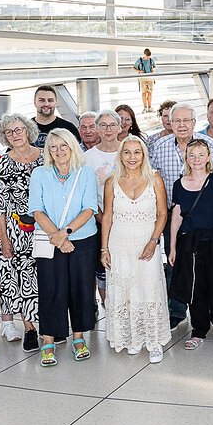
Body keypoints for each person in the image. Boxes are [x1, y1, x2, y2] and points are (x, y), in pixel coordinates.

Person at [29, 130, 98, 367]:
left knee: (81, 289)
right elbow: (37, 209)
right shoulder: (39, 173)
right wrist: (57, 237)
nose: (58, 151)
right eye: (53, 147)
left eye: (63, 146)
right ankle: (48, 341)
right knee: (51, 290)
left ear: (72, 147)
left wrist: (65, 233)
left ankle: (79, 338)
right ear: (48, 150)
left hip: (82, 239)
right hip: (50, 240)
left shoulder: (85, 172)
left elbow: (89, 208)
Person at [151, 102, 213, 329]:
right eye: (177, 121)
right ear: (169, 123)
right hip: (173, 216)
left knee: (210, 263)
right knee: (176, 262)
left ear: (194, 122)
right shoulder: (160, 146)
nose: (182, 125)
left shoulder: (209, 144)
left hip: (205, 218)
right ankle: (177, 309)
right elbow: (153, 180)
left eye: (186, 120)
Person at [100, 136, 170, 363]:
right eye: (127, 152)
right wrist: (104, 249)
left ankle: (154, 341)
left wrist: (153, 241)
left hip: (146, 243)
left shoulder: (155, 178)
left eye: (137, 152)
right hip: (119, 244)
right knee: (125, 291)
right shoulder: (112, 181)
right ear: (120, 155)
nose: (132, 157)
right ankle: (131, 338)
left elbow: (162, 214)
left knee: (149, 290)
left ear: (144, 154)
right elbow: (107, 216)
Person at [168, 139, 213, 352]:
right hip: (190, 245)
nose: (196, 159)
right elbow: (177, 218)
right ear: (186, 158)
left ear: (208, 157)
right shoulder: (178, 184)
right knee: (195, 288)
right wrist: (172, 247)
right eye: (192, 155)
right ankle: (199, 330)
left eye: (201, 154)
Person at [0, 114, 43, 352]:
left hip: (46, 228)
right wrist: (4, 240)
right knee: (23, 281)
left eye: (19, 129)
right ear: (4, 136)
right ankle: (30, 329)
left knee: (47, 278)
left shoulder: (45, 157)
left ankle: (52, 325)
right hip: (16, 230)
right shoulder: (3, 163)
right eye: (9, 132)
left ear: (28, 130)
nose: (15, 134)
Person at [84, 109, 123, 306]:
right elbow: (87, 192)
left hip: (127, 220)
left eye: (112, 125)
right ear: (97, 129)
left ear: (120, 127)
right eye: (103, 125)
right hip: (99, 220)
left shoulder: (128, 150)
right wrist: (101, 217)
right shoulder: (88, 157)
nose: (108, 129)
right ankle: (110, 308)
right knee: (103, 266)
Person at [133, 48, 156, 113]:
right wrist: (139, 71)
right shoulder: (139, 60)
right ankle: (145, 107)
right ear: (144, 54)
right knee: (144, 92)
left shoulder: (151, 60)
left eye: (149, 56)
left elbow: (154, 66)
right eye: (147, 56)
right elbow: (134, 67)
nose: (148, 57)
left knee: (150, 92)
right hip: (142, 78)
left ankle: (150, 107)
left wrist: (153, 70)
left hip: (150, 77)